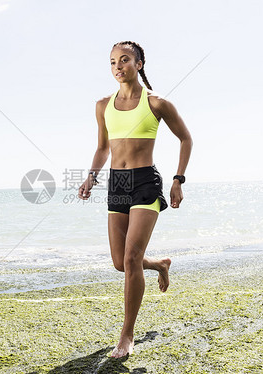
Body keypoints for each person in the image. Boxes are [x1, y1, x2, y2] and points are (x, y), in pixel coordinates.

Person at [77, 41, 193, 358]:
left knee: (130, 260)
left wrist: (178, 179)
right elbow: (103, 148)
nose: (118, 66)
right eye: (113, 61)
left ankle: (126, 336)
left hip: (145, 181)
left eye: (124, 60)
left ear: (139, 64)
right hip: (118, 182)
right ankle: (159, 264)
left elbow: (185, 138)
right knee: (120, 262)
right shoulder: (103, 105)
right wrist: (91, 175)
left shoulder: (156, 104)